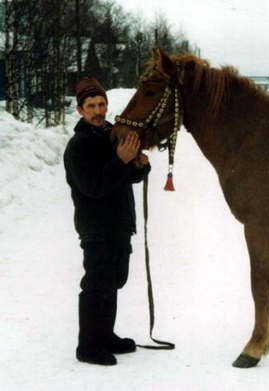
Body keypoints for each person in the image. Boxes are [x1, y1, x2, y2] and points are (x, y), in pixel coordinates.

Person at [64, 77, 151, 366]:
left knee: (114, 282)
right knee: (97, 284)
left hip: (120, 224)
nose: (98, 110)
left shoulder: (114, 134)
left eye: (101, 104)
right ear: (80, 110)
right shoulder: (78, 146)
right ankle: (87, 346)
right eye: (91, 106)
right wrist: (121, 162)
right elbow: (93, 187)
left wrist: (139, 166)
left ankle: (105, 335)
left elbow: (128, 177)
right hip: (97, 228)